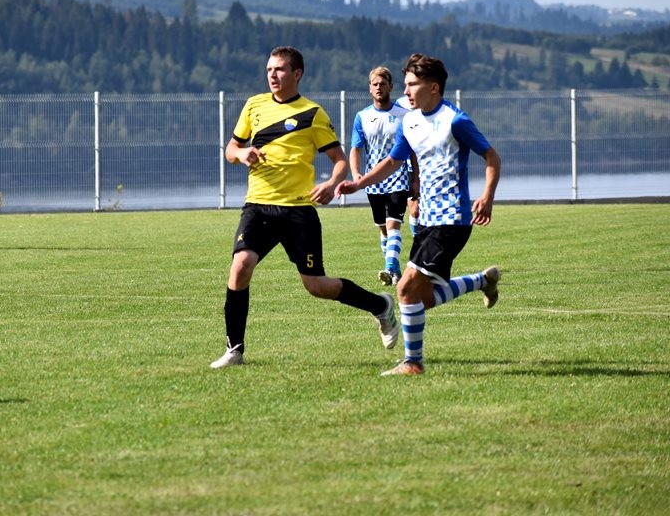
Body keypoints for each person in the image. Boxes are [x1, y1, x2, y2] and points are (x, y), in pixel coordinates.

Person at [210, 46, 398, 369]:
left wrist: (331, 184)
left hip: (298, 212)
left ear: (297, 74)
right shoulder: (254, 106)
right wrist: (241, 154)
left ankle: (380, 305)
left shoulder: (312, 114)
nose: (272, 75)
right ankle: (234, 350)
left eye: (280, 69)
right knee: (241, 266)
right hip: (258, 206)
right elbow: (231, 148)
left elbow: (339, 161)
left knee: (317, 286)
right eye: (269, 69)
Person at [337, 53, 502, 376]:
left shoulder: (455, 120)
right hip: (426, 220)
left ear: (434, 88)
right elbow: (392, 162)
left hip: (451, 219)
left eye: (413, 84)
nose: (406, 91)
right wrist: (359, 183)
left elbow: (492, 157)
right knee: (420, 298)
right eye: (406, 84)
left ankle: (413, 363)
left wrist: (487, 197)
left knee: (404, 289)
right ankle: (483, 281)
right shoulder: (410, 122)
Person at [349, 66, 417, 286]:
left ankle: (388, 267)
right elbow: (356, 148)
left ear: (391, 87)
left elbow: (413, 151)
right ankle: (395, 270)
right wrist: (357, 174)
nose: (379, 87)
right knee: (383, 228)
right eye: (375, 84)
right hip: (373, 181)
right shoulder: (362, 117)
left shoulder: (404, 116)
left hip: (398, 178)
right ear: (370, 88)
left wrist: (416, 178)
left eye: (383, 84)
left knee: (393, 224)